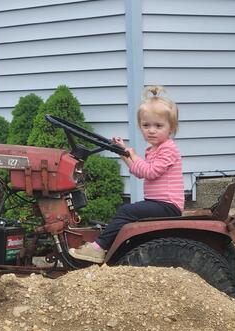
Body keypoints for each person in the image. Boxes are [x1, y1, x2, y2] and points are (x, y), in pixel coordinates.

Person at [69, 86, 184, 264]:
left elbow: (150, 172)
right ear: (140, 127)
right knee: (128, 211)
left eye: (158, 126)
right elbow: (139, 171)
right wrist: (123, 153)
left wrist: (134, 155)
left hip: (168, 205)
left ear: (171, 128)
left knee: (126, 211)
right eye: (146, 125)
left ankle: (98, 248)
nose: (151, 130)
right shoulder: (153, 149)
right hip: (158, 203)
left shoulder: (168, 149)